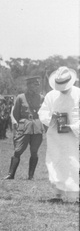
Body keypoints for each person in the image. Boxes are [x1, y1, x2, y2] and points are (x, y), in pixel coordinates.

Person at [38, 67, 79, 202]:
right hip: (56, 137)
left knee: (74, 164)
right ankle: (58, 195)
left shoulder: (78, 94)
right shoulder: (51, 96)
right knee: (56, 163)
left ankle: (76, 196)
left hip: (74, 137)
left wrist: (72, 127)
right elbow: (42, 112)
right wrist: (52, 119)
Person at [4, 76, 44, 180]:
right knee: (18, 150)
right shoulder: (20, 97)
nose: (37, 87)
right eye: (35, 85)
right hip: (24, 127)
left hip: (37, 127)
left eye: (37, 85)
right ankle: (11, 174)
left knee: (34, 151)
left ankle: (31, 176)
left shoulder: (41, 98)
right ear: (29, 85)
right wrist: (24, 122)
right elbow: (16, 114)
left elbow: (44, 113)